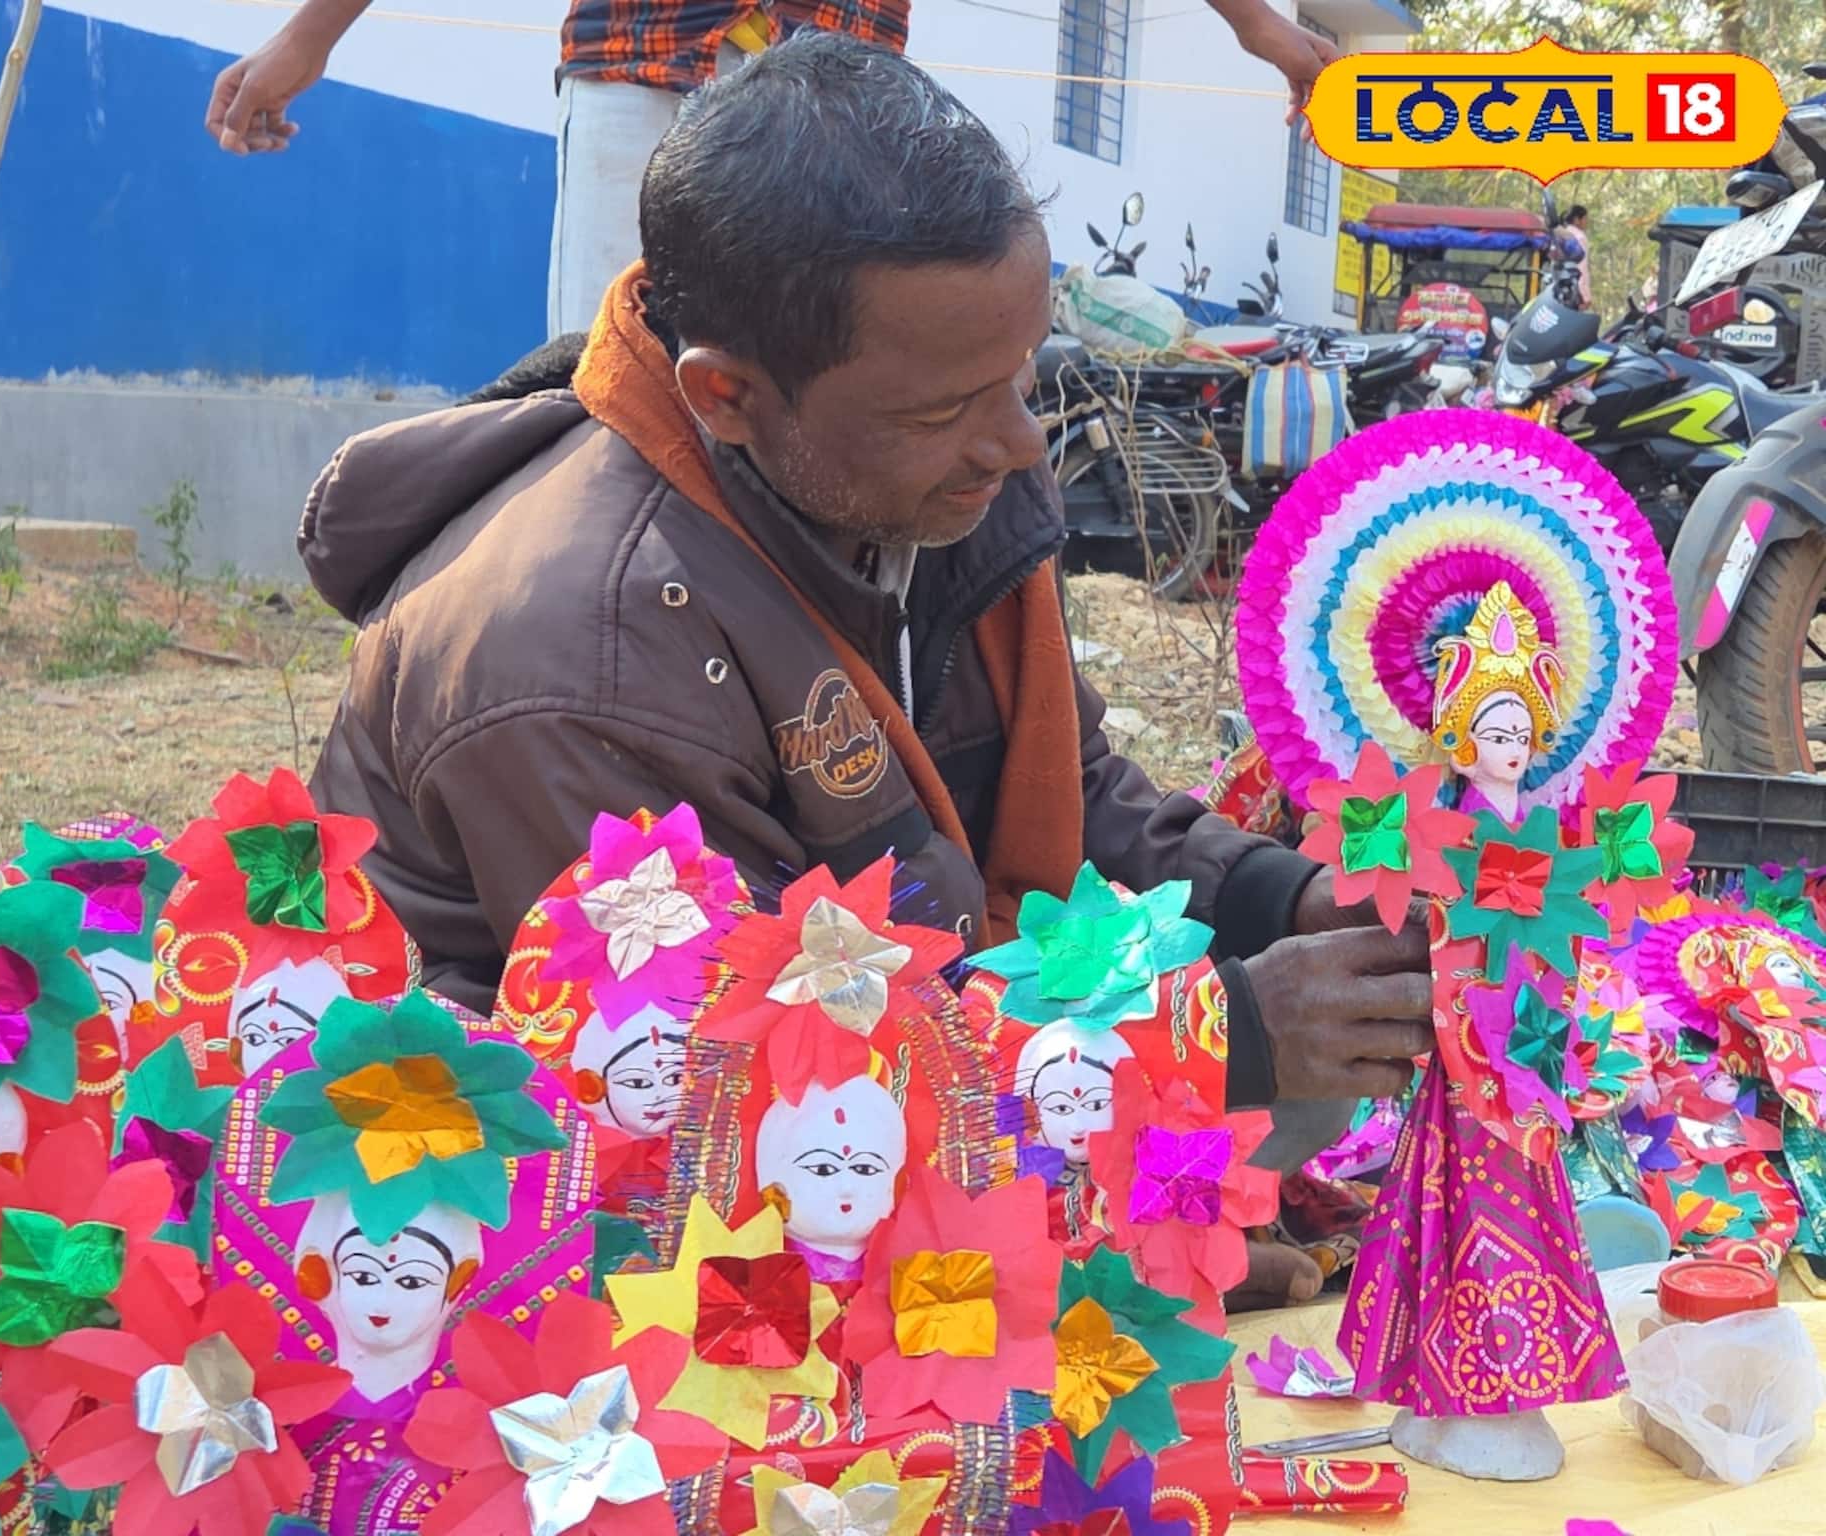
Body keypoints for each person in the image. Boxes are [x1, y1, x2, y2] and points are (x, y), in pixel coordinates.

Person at [301, 34, 1428, 1303]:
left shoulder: (901, 464)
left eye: (1021, 373)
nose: (1012, 442)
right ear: (725, 396)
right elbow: (737, 1082)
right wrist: (1217, 1036)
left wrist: (1286, 902)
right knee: (1262, 1070)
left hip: (928, 1012)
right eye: (946, 407)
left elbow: (1062, 786)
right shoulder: (578, 653)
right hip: (620, 1182)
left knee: (1325, 1060)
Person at [204, 0, 1340, 333]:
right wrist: (312, 34)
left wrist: (1266, 35)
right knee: (609, 388)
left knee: (829, 396)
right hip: (640, 78)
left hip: (836, 101)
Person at [1553, 203, 1592, 310]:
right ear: (1576, 219)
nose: (1586, 222)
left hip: (1557, 291)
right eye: (1585, 219)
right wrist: (1585, 296)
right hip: (1574, 293)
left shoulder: (1561, 234)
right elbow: (1580, 268)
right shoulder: (1579, 237)